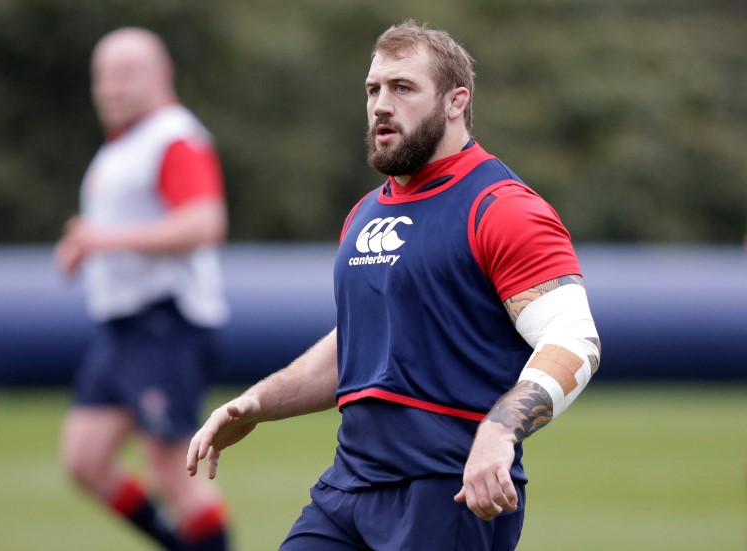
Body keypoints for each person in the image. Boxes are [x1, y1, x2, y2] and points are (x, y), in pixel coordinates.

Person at [187, 20, 601, 551]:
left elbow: (575, 340)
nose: (382, 104)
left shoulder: (502, 208)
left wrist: (499, 431)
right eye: (373, 90)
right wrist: (257, 403)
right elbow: (360, 346)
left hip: (447, 493)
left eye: (402, 88)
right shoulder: (365, 213)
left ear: (456, 102)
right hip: (348, 487)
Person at [55, 27, 231, 551]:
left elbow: (204, 222)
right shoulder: (122, 147)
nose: (111, 87)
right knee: (85, 459)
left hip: (165, 322)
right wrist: (87, 246)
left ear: (163, 75)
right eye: (102, 75)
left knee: (174, 469)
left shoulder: (173, 136)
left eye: (126, 73)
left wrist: (104, 240)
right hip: (124, 326)